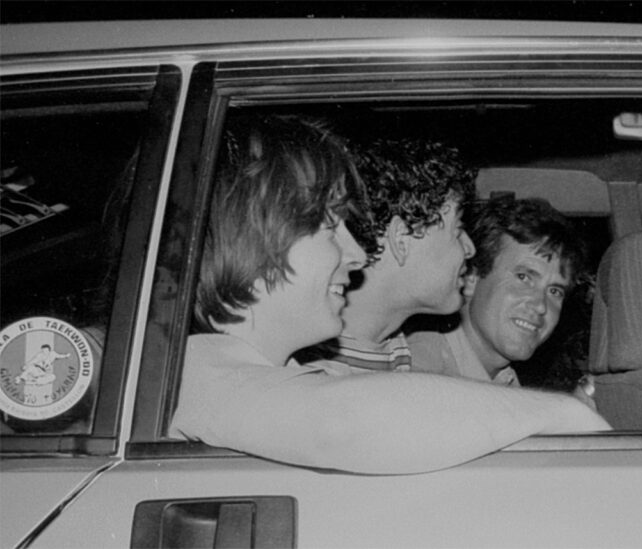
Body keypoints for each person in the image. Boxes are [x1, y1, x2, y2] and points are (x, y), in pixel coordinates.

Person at [171, 117, 610, 476]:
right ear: (264, 238)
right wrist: (563, 414)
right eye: (329, 226)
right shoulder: (189, 369)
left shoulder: (281, 370)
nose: (358, 252)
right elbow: (341, 425)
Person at [296, 137, 477, 372]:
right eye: (458, 229)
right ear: (401, 239)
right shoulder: (311, 366)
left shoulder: (395, 351)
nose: (470, 248)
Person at [407, 195, 596, 402]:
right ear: (471, 279)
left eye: (555, 291)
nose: (541, 306)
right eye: (523, 278)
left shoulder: (503, 381)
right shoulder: (418, 369)